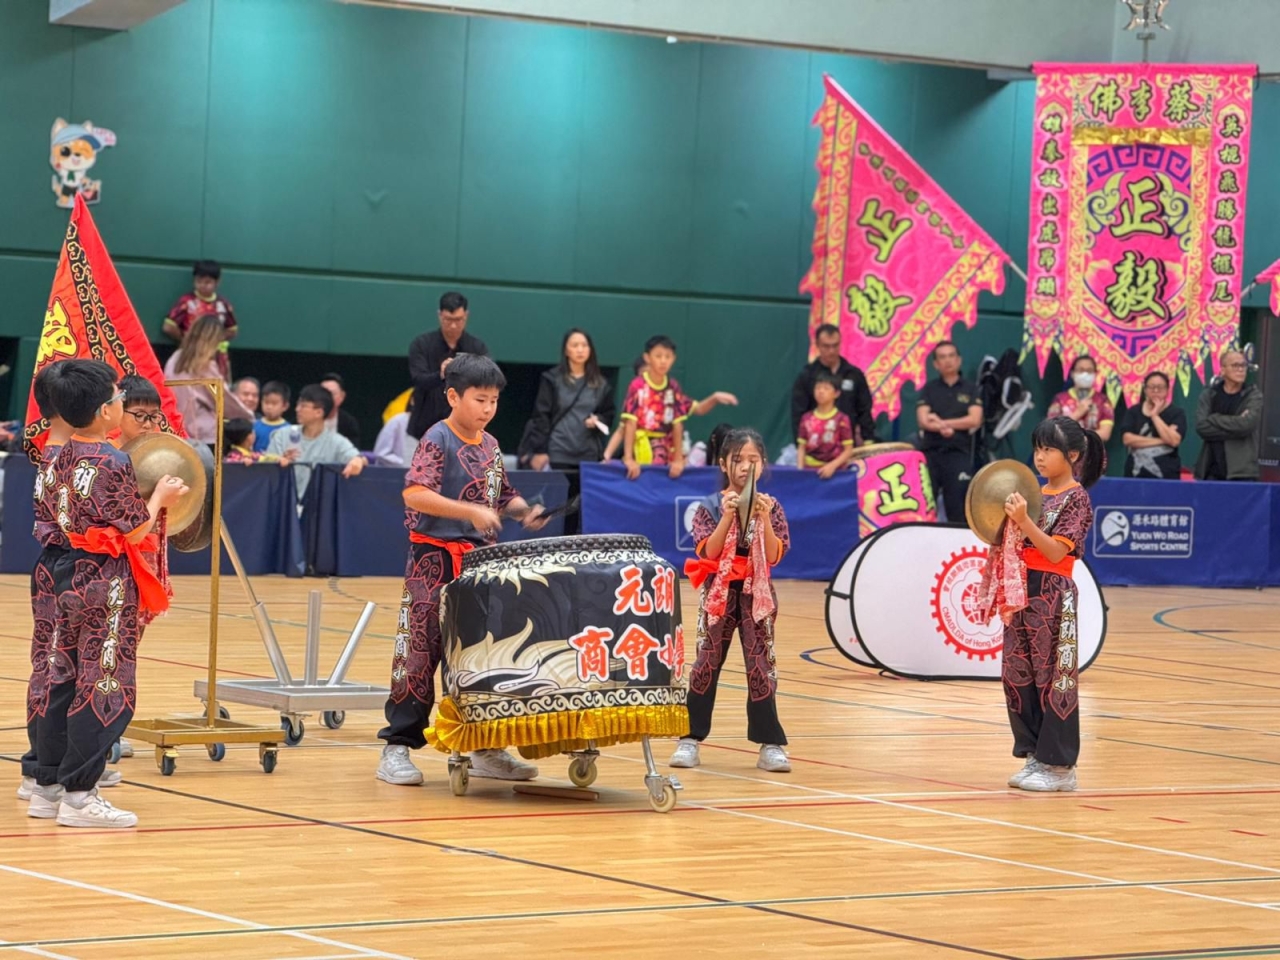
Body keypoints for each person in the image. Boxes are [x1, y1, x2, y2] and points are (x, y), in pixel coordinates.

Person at [376, 354, 549, 787]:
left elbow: (501, 494)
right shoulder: (437, 437)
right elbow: (415, 493)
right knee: (420, 652)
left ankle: (483, 746)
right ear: (453, 396)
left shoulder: (490, 445)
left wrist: (523, 511)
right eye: (479, 399)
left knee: (481, 654)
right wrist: (468, 511)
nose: (488, 409)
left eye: (494, 401)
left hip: (478, 565)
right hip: (432, 561)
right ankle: (396, 747)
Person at [34, 360, 188, 827]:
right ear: (105, 411)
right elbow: (134, 529)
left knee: (61, 676)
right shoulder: (111, 460)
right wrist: (160, 498)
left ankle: (47, 786)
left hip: (63, 573)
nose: (122, 404)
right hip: (104, 579)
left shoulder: (57, 452)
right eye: (120, 399)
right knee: (104, 682)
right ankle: (81, 797)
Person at [980, 415, 1104, 793]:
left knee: (1055, 677)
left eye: (1049, 449)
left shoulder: (1077, 499)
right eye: (1037, 448)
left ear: (1073, 455)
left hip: (1053, 592)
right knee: (1017, 674)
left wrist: (1024, 521)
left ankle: (1060, 766)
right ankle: (1035, 755)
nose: (1039, 456)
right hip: (1021, 591)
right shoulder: (1031, 493)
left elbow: (1054, 553)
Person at [669, 428, 791, 774]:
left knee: (761, 666)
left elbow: (774, 555)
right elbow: (708, 552)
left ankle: (770, 745)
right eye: (737, 459)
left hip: (757, 595)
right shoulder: (710, 506)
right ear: (723, 464)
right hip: (719, 596)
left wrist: (763, 519)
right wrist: (727, 516)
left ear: (763, 463)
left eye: (753, 459)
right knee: (705, 664)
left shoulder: (772, 506)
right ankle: (689, 739)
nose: (746, 466)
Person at [16, 365, 75, 803]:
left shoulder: (53, 451)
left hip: (52, 566)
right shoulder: (66, 458)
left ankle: (43, 767)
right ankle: (45, 773)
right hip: (65, 567)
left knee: (49, 666)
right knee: (58, 670)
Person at [520, 329, 615, 533]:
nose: (580, 350)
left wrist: (598, 420)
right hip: (559, 452)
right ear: (566, 350)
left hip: (588, 455)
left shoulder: (601, 384)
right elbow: (541, 415)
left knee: (580, 511)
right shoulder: (552, 379)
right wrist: (540, 450)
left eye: (584, 345)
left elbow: (609, 414)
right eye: (575, 345)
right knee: (554, 510)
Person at [602, 355, 735, 462]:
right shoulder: (636, 399)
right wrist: (606, 457)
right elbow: (621, 430)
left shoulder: (672, 396)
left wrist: (714, 398)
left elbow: (699, 408)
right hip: (640, 465)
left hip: (667, 465)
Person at [916, 341, 983, 522]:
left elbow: (974, 419)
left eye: (951, 356)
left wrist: (942, 423)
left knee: (957, 508)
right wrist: (943, 427)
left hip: (958, 453)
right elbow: (923, 420)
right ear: (935, 364)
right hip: (931, 454)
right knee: (926, 506)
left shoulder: (971, 389)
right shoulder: (929, 389)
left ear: (959, 360)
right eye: (942, 357)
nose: (948, 361)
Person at [407, 291, 487, 441]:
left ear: (466, 316)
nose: (453, 325)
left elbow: (487, 381)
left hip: (464, 434)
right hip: (422, 432)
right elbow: (418, 379)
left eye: (458, 320)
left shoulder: (477, 348)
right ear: (440, 315)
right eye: (448, 320)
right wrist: (441, 374)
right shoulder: (422, 344)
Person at [163, 315, 255, 444]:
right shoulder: (205, 366)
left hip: (173, 431)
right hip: (202, 437)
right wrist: (249, 416)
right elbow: (222, 399)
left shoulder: (174, 359)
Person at [266, 385, 366, 497]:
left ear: (319, 412)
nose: (297, 409)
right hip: (282, 500)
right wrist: (278, 462)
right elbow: (266, 468)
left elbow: (357, 457)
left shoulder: (337, 442)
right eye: (298, 404)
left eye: (303, 406)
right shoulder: (282, 435)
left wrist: (357, 460)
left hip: (319, 503)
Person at [790, 323, 876, 448]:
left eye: (835, 345)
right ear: (817, 345)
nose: (831, 351)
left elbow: (865, 410)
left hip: (848, 446)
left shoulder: (853, 374)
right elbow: (798, 414)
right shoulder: (807, 376)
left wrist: (868, 441)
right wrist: (801, 446)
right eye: (826, 346)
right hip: (817, 447)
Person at [621, 336, 693, 480]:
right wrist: (628, 458)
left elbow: (677, 423)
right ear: (647, 357)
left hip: (666, 447)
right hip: (641, 445)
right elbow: (630, 422)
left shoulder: (673, 386)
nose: (663, 361)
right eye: (658, 356)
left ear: (673, 359)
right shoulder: (637, 385)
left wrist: (678, 459)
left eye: (668, 357)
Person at [162, 260, 237, 380]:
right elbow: (168, 326)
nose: (202, 285)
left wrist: (213, 339)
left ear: (217, 282)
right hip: (192, 354)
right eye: (199, 281)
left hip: (216, 355)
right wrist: (186, 341)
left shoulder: (223, 304)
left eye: (207, 282)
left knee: (218, 385)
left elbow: (232, 330)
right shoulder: (187, 302)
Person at [1195, 349, 1262, 481]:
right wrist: (1237, 426)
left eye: (1243, 365)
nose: (1241, 369)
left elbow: (1247, 425)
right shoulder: (1209, 394)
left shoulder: (1253, 395)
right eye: (1235, 365)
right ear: (1223, 370)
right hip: (1210, 470)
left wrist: (1214, 418)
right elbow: (1202, 427)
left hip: (1242, 473)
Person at [1120, 372, 1186, 480]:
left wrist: (1154, 415)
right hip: (1134, 477)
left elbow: (1174, 440)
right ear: (1145, 389)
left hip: (1167, 477)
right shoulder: (1133, 412)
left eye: (1160, 387)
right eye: (1151, 387)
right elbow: (1128, 439)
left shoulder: (1176, 413)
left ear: (1167, 390)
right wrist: (1163, 440)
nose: (1155, 391)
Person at [796, 373, 856, 479]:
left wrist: (832, 466)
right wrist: (800, 471)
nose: (821, 391)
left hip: (835, 472)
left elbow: (848, 450)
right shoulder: (806, 418)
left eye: (826, 388)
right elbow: (801, 448)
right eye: (818, 388)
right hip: (810, 471)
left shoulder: (842, 419)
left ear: (836, 393)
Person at [1047, 356, 1115, 442]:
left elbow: (1105, 434)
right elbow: (1052, 431)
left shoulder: (1103, 400)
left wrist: (1074, 437)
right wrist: (1078, 413)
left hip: (1092, 450)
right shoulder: (1060, 399)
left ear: (1095, 374)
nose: (1085, 374)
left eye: (1089, 371)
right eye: (1080, 370)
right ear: (1072, 373)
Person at [320, 373, 361, 447]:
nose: (327, 398)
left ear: (342, 396)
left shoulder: (349, 423)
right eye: (323, 393)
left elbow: (352, 451)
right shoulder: (305, 420)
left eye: (332, 394)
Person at [254, 381, 291, 453]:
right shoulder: (255, 426)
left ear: (285, 406)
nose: (269, 407)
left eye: (274, 403)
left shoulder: (288, 429)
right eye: (266, 402)